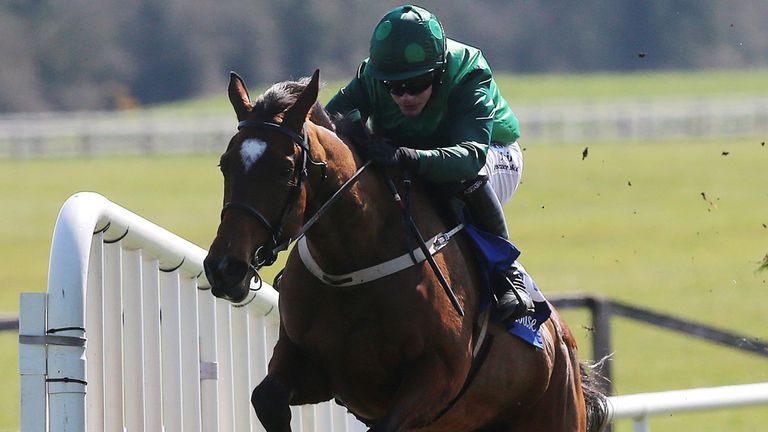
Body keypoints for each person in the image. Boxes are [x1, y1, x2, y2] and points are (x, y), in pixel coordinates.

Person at [326, 4, 537, 325]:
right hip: (424, 151)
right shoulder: (371, 75)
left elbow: (470, 157)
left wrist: (406, 156)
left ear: (438, 73)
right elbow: (328, 120)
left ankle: (508, 275)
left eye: (416, 84)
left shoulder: (468, 72)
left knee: (466, 179)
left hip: (493, 154)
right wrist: (359, 138)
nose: (405, 96)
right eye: (394, 87)